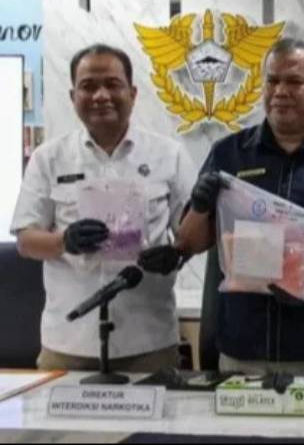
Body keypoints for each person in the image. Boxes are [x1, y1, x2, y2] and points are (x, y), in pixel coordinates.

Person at [152, 38, 304, 379]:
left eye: (294, 81)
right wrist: (201, 206)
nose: (281, 91)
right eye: (272, 81)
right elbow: (189, 243)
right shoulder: (229, 153)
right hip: (244, 348)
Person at [12, 44, 195, 372]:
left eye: (112, 84)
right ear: (73, 97)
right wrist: (64, 241)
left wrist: (178, 252)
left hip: (149, 340)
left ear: (133, 93)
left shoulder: (170, 155)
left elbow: (193, 233)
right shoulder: (48, 158)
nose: (100, 95)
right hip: (69, 343)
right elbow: (26, 241)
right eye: (88, 86)